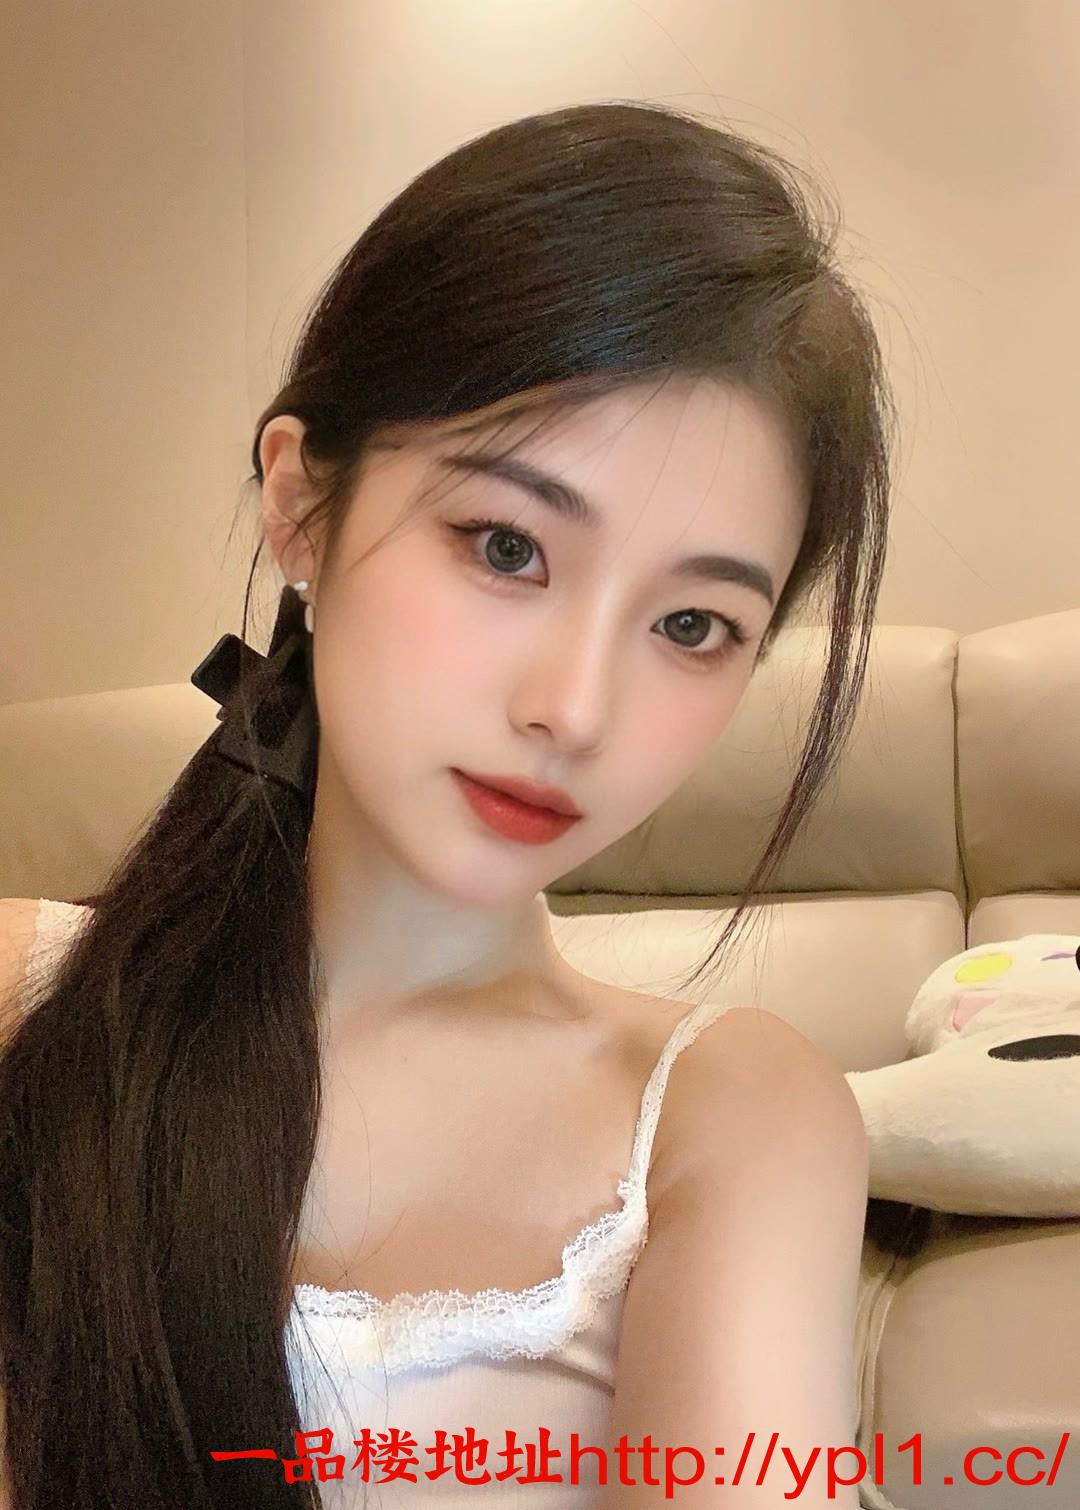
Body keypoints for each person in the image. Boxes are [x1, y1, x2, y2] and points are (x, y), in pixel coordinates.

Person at [0, 99, 895, 1509]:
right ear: (302, 504)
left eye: (693, 625)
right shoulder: (29, 1001)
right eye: (506, 546)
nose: (574, 709)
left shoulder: (729, 1120)